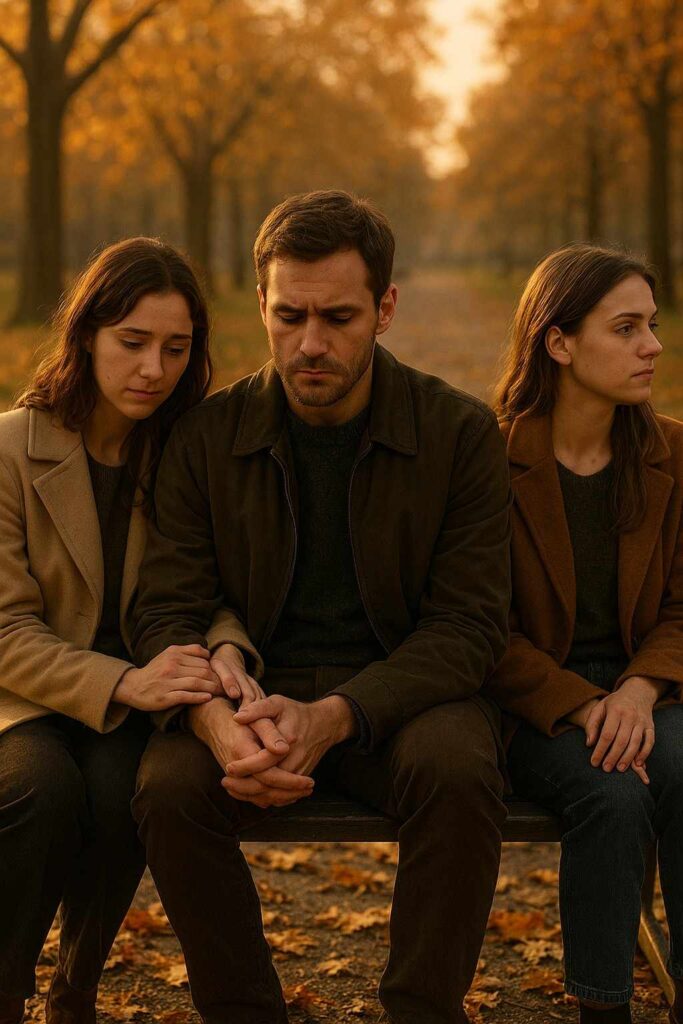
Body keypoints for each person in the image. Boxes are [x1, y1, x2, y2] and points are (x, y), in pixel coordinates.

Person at [131, 189, 512, 1024]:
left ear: (385, 308)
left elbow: (470, 627)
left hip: (399, 693)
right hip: (249, 691)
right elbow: (165, 607)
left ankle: (420, 1010)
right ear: (261, 305)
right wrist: (212, 719)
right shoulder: (205, 436)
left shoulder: (456, 434)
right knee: (167, 787)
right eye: (288, 315)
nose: (310, 343)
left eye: (337, 317)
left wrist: (337, 715)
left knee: (459, 768)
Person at [0, 237, 232, 1024]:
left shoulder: (186, 450)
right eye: (132, 343)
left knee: (120, 788)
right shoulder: (7, 449)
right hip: (22, 695)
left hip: (138, 698)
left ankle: (77, 984)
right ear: (86, 334)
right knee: (43, 787)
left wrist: (228, 648)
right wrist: (124, 681)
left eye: (176, 349)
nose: (153, 370)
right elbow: (2, 630)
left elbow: (220, 588)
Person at [485, 244, 683, 1024]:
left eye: (653, 326)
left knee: (682, 769)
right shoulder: (489, 457)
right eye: (626, 328)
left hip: (650, 685)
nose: (652, 346)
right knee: (610, 794)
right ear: (558, 342)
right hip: (536, 701)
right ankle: (602, 1007)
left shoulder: (672, 450)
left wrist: (636, 690)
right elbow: (477, 626)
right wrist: (581, 703)